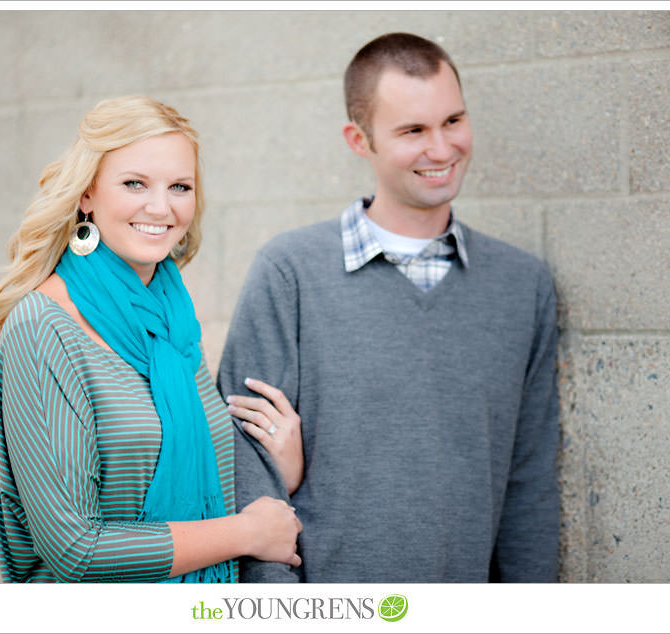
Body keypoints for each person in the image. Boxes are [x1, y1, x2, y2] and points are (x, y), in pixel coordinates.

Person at [217, 33, 560, 583]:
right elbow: (244, 463)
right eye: (413, 131)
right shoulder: (290, 271)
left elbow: (529, 480)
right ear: (360, 139)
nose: (442, 148)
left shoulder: (522, 285)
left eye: (453, 121)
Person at [0, 96, 302, 583]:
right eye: (135, 183)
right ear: (87, 194)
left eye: (180, 186)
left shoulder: (170, 317)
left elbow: (200, 482)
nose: (162, 207)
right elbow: (76, 550)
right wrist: (245, 534)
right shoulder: (44, 326)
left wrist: (280, 465)